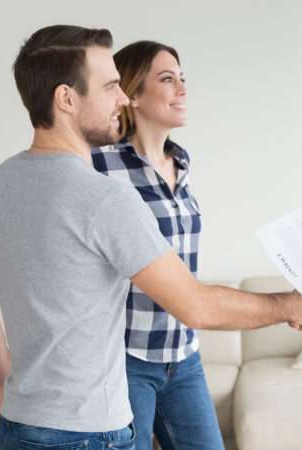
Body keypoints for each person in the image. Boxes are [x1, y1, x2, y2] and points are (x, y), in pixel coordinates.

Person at [0, 24, 302, 450]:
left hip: (19, 424)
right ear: (66, 98)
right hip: (89, 432)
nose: (122, 98)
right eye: (110, 87)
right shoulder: (105, 198)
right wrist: (292, 305)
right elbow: (195, 305)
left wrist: (2, 380)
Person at [90, 40, 226, 450]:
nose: (182, 89)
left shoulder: (182, 165)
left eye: (183, 79)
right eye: (168, 79)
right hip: (124, 359)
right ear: (130, 93)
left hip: (183, 356)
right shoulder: (99, 165)